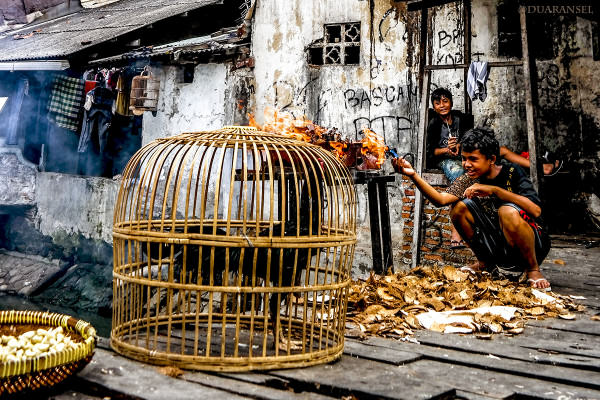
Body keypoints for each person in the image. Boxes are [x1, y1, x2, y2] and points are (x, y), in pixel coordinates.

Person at [395, 127, 552, 290]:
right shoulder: (470, 178)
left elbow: (536, 211)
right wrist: (412, 174)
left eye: (473, 159)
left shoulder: (512, 172)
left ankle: (533, 270)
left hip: (533, 244)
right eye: (464, 158)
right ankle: (485, 264)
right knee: (459, 208)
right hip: (499, 247)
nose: (466, 164)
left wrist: (495, 191)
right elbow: (440, 200)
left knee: (507, 211)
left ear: (491, 159)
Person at [427, 87, 560, 249]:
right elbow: (431, 152)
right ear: (434, 107)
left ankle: (542, 167)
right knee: (459, 176)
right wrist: (447, 150)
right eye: (437, 103)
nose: (442, 105)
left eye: (445, 101)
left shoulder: (460, 119)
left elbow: (470, 141)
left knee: (503, 150)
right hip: (446, 159)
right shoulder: (433, 124)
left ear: (451, 102)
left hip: (464, 154)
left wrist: (460, 146)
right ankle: (456, 231)